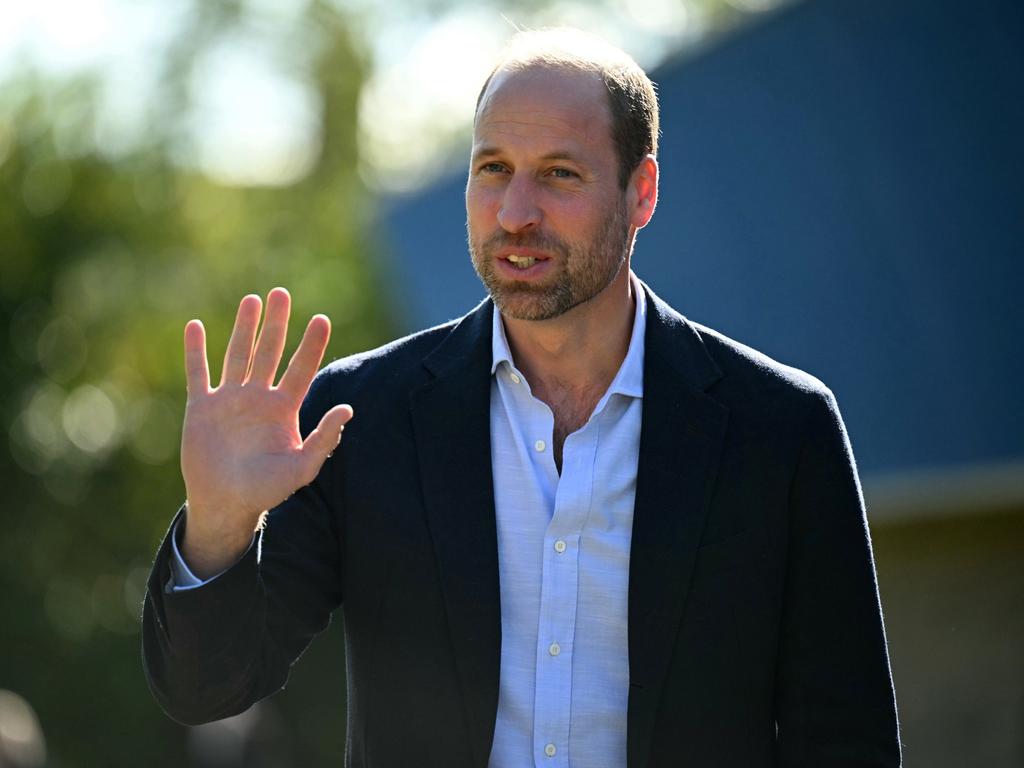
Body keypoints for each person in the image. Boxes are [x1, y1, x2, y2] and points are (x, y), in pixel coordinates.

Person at [143, 28, 901, 768]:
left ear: (641, 192)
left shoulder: (781, 430)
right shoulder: (358, 420)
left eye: (560, 174)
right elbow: (208, 689)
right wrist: (218, 527)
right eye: (494, 169)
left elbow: (845, 740)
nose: (515, 213)